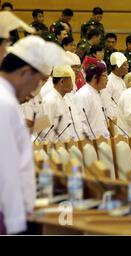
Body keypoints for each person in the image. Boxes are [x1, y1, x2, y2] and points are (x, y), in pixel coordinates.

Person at [0, 35, 71, 234]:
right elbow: (7, 170)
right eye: (38, 82)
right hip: (8, 214)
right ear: (24, 72)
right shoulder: (5, 103)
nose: (35, 92)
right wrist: (17, 225)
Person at [42, 65, 83, 141]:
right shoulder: (50, 100)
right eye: (72, 79)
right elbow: (43, 130)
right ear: (62, 82)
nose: (74, 82)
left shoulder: (63, 99)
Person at [73, 62, 109, 139]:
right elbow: (80, 123)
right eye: (105, 75)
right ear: (95, 77)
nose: (107, 78)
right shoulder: (83, 95)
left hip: (101, 141)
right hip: (91, 143)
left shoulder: (97, 92)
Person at [101, 52, 128, 120]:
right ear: (117, 67)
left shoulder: (121, 80)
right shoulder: (109, 81)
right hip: (114, 119)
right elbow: (106, 104)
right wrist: (111, 121)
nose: (128, 67)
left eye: (127, 64)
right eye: (125, 65)